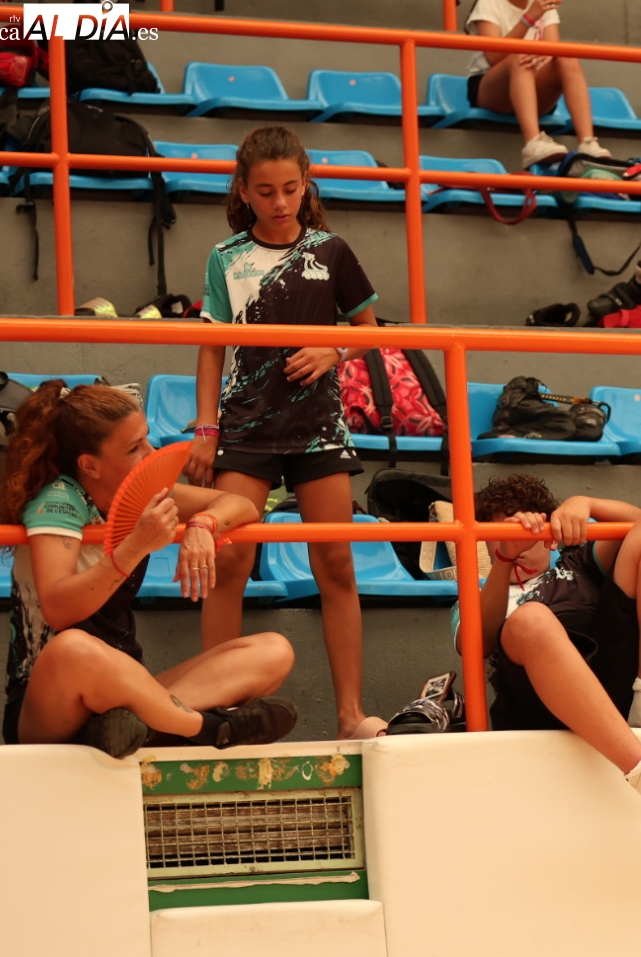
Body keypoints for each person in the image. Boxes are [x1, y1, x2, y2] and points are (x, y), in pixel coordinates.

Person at [186, 126, 380, 742]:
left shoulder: (333, 250)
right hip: (247, 427)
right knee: (229, 560)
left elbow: (370, 331)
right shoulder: (225, 257)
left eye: (291, 189)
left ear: (306, 184)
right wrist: (207, 428)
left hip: (319, 428)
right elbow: (212, 348)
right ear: (243, 190)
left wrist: (333, 348)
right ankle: (214, 714)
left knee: (336, 562)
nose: (279, 202)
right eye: (266, 191)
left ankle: (350, 717)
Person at [0, 382, 297, 757]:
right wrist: (137, 545)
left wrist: (204, 524)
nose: (151, 454)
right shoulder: (57, 500)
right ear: (90, 465)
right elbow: (58, 607)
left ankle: (128, 730)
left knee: (273, 651)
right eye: (134, 448)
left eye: (147, 439)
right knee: (72, 649)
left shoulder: (141, 492)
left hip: (126, 696)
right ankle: (207, 728)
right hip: (50, 703)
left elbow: (241, 504)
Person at [452, 475, 641, 835]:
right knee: (531, 619)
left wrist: (585, 504)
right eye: (499, 533)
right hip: (536, 707)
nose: (516, 542)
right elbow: (476, 647)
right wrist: (504, 560)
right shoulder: (476, 595)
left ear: (550, 533)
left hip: (610, 676)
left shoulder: (576, 563)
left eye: (528, 531)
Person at [465, 0, 611, 169]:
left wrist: (543, 55)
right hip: (492, 88)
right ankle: (533, 142)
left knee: (567, 56)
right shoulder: (488, 3)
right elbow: (494, 57)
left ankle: (588, 143)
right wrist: (528, 19)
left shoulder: (544, 4)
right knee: (520, 57)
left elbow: (552, 51)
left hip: (533, 84)